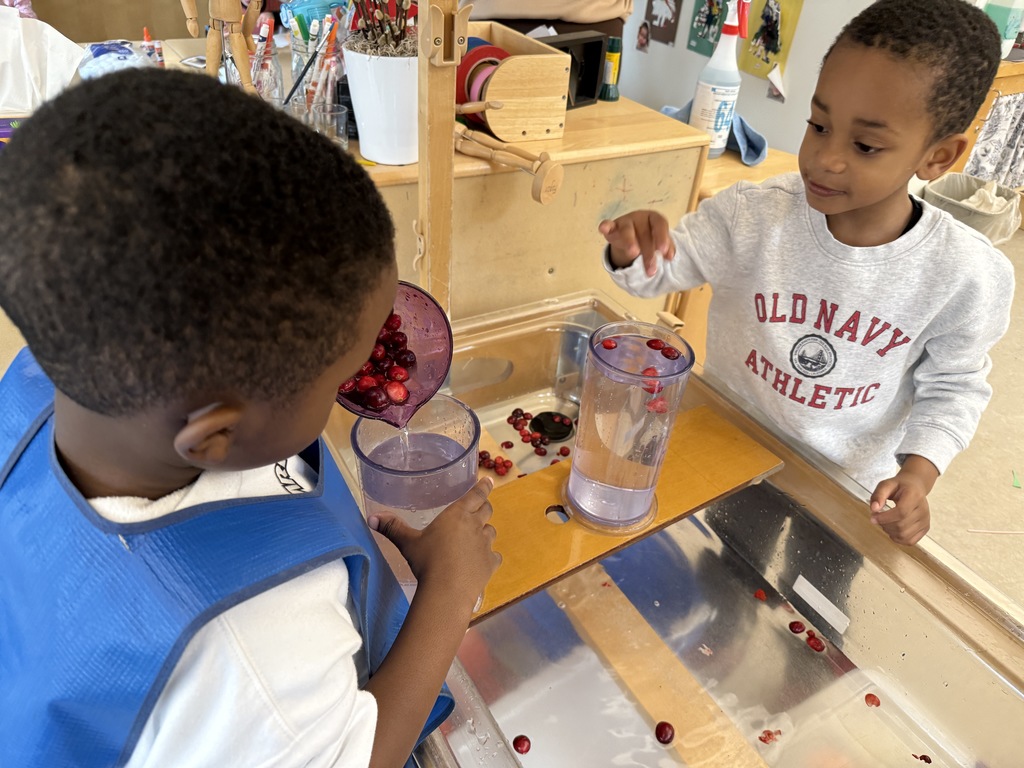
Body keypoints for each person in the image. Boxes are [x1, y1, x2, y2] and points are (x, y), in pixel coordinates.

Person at [0, 68, 500, 767]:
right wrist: (449, 591)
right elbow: (364, 756)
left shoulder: (38, 386)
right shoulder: (247, 645)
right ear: (215, 436)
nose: (351, 391)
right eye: (334, 383)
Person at [598, 0, 1013, 546]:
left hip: (843, 489)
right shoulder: (752, 213)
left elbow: (955, 386)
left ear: (938, 157)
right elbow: (659, 274)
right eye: (819, 125)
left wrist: (918, 471)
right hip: (726, 447)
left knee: (809, 613)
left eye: (865, 145)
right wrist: (635, 249)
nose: (825, 158)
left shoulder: (967, 275)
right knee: (713, 565)